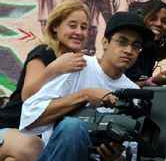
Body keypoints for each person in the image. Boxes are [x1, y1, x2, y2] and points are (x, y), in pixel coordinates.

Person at [19, 12, 154, 161]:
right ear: (105, 43)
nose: (129, 50)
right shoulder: (79, 64)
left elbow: (131, 153)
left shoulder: (133, 91)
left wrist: (115, 158)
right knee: (73, 127)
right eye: (122, 41)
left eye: (136, 46)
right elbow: (29, 116)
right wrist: (84, 95)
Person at [0, 0, 90, 161]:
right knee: (35, 148)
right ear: (55, 26)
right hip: (12, 127)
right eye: (72, 25)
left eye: (84, 27)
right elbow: (28, 94)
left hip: (44, 137)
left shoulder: (84, 64)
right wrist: (54, 68)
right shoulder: (44, 52)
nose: (79, 31)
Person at [125, 0, 166, 86]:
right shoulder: (130, 47)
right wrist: (152, 81)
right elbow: (117, 86)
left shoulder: (150, 50)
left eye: (165, 22)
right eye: (153, 19)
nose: (159, 24)